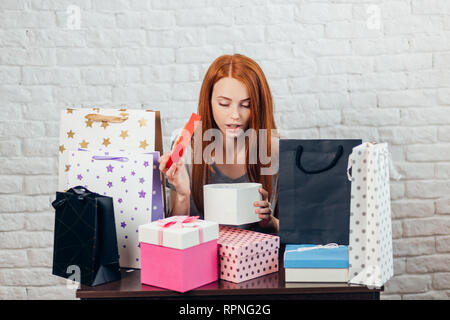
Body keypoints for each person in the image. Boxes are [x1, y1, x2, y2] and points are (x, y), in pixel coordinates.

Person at [158, 54, 279, 234]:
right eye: (224, 104)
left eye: (246, 105)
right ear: (209, 102)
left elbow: (293, 229)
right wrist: (183, 195)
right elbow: (171, 233)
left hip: (254, 257)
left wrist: (269, 222)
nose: (235, 115)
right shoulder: (184, 142)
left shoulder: (274, 149)